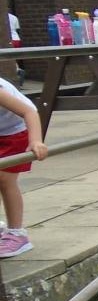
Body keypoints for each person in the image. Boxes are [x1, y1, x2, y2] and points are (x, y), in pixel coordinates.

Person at [0, 75, 48, 258]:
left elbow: (29, 112)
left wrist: (36, 141)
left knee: (5, 180)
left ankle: (17, 233)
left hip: (16, 131)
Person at [6, 10, 24, 88]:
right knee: (14, 58)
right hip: (17, 39)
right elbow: (17, 29)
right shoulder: (14, 17)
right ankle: (17, 69)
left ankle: (17, 70)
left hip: (9, 39)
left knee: (9, 58)